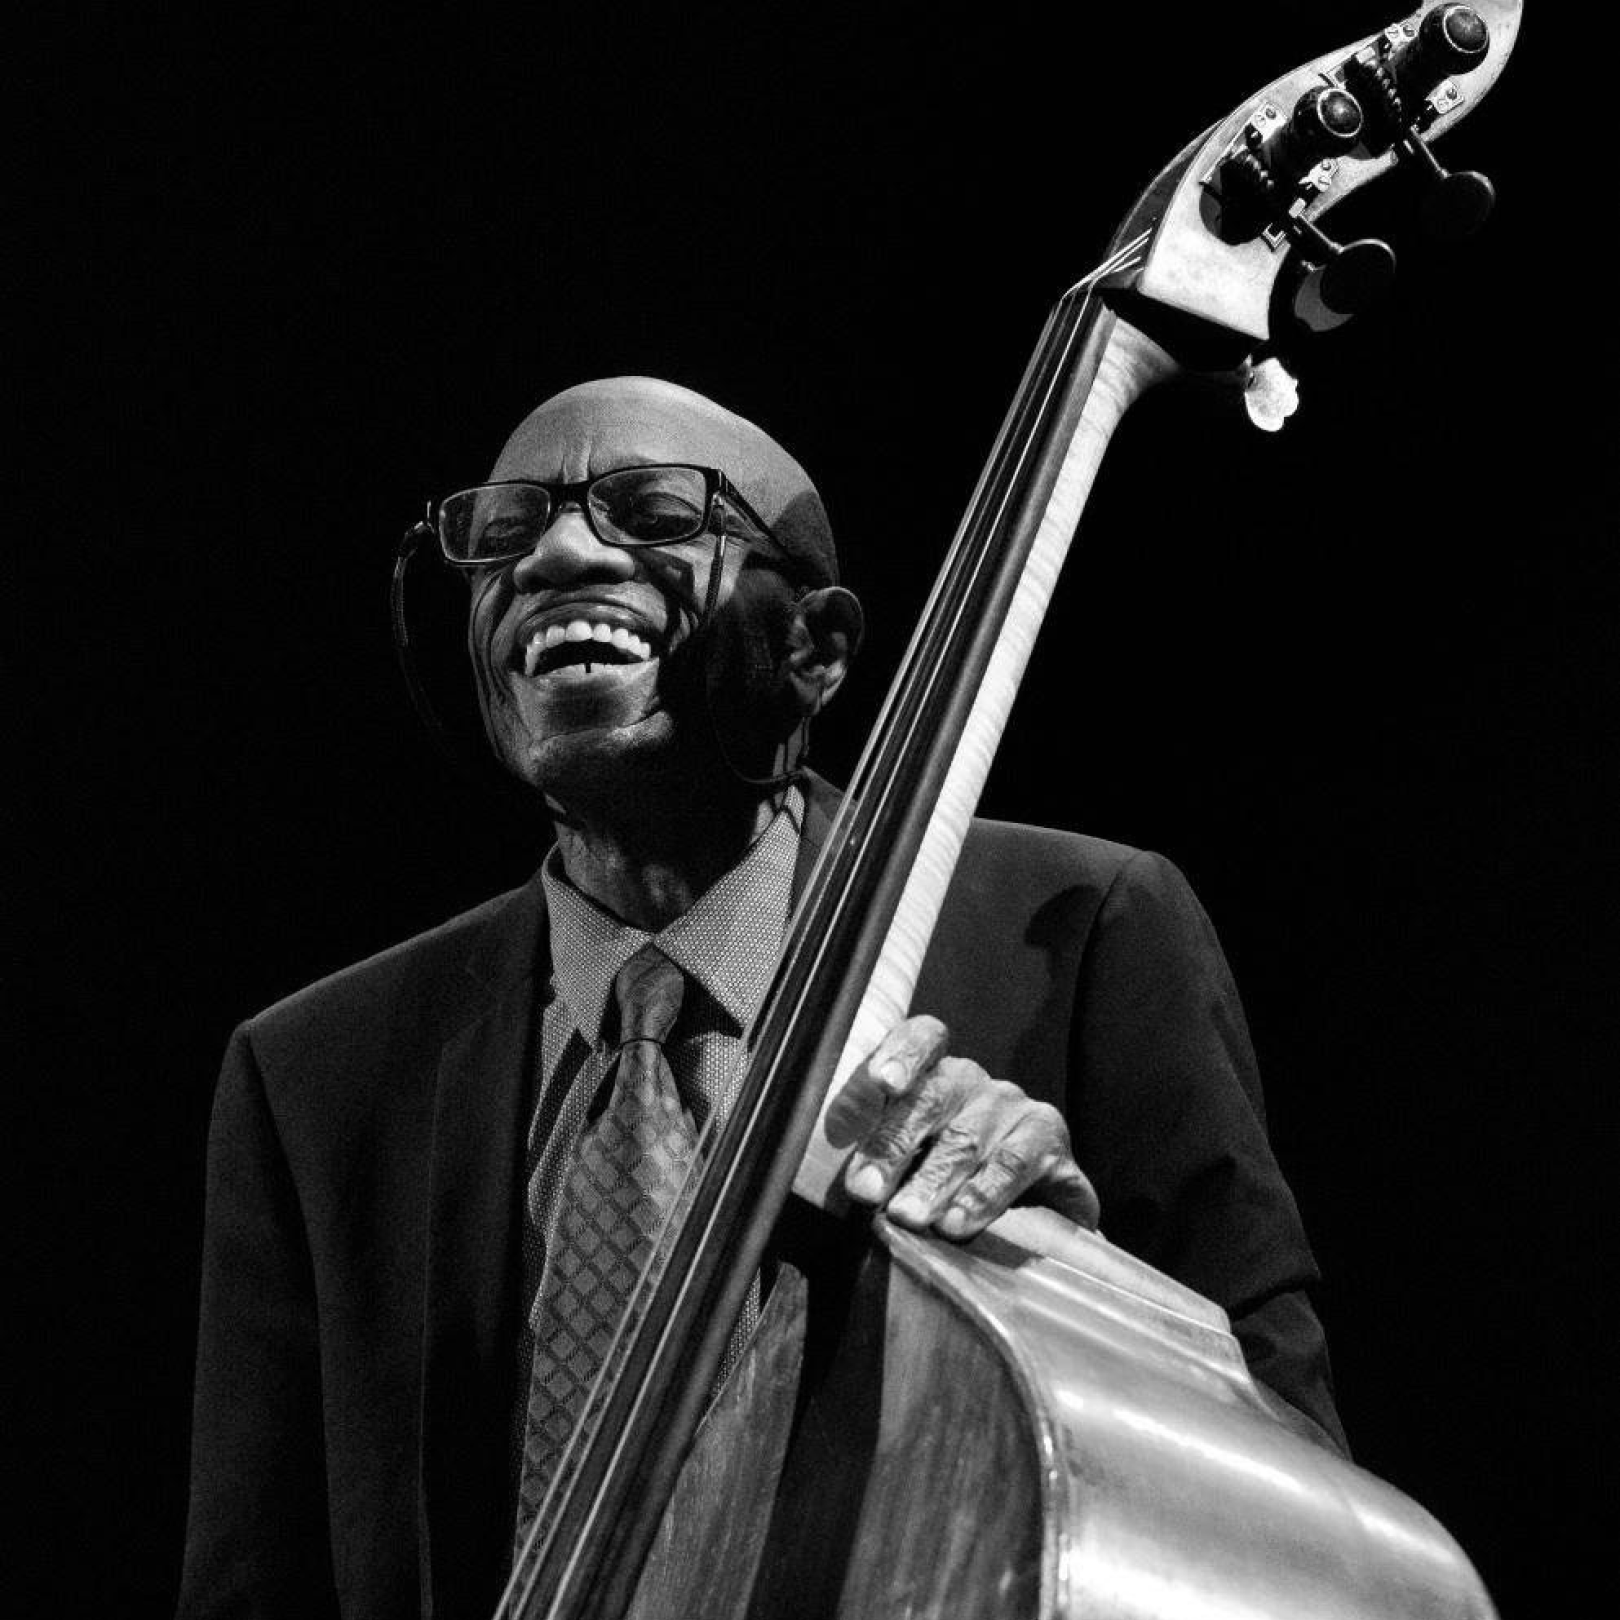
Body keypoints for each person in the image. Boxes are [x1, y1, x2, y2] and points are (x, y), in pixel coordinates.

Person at [177, 377, 1342, 1620]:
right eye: (506, 531)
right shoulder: (318, 1076)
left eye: (656, 515)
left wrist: (1080, 1291)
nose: (556, 556)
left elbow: (1297, 1504)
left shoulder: (1077, 934)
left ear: (815, 651)